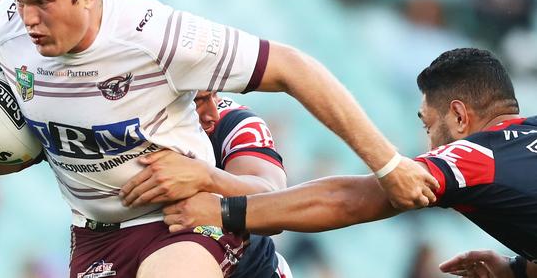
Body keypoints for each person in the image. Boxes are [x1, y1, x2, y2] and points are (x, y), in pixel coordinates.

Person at [0, 0, 437, 277]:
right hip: (94, 239)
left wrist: (388, 164)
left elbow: (295, 68)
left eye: (42, 2)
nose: (26, 19)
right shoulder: (0, 31)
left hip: (183, 222)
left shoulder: (154, 34)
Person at [163, 48, 537, 277]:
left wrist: (224, 211)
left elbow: (349, 199)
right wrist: (518, 270)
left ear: (458, 116)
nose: (428, 142)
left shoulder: (475, 156)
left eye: (427, 124)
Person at [120, 91, 292, 278]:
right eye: (197, 100)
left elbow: (274, 202)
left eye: (214, 94)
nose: (213, 114)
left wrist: (207, 177)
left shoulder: (234, 122)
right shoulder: (110, 122)